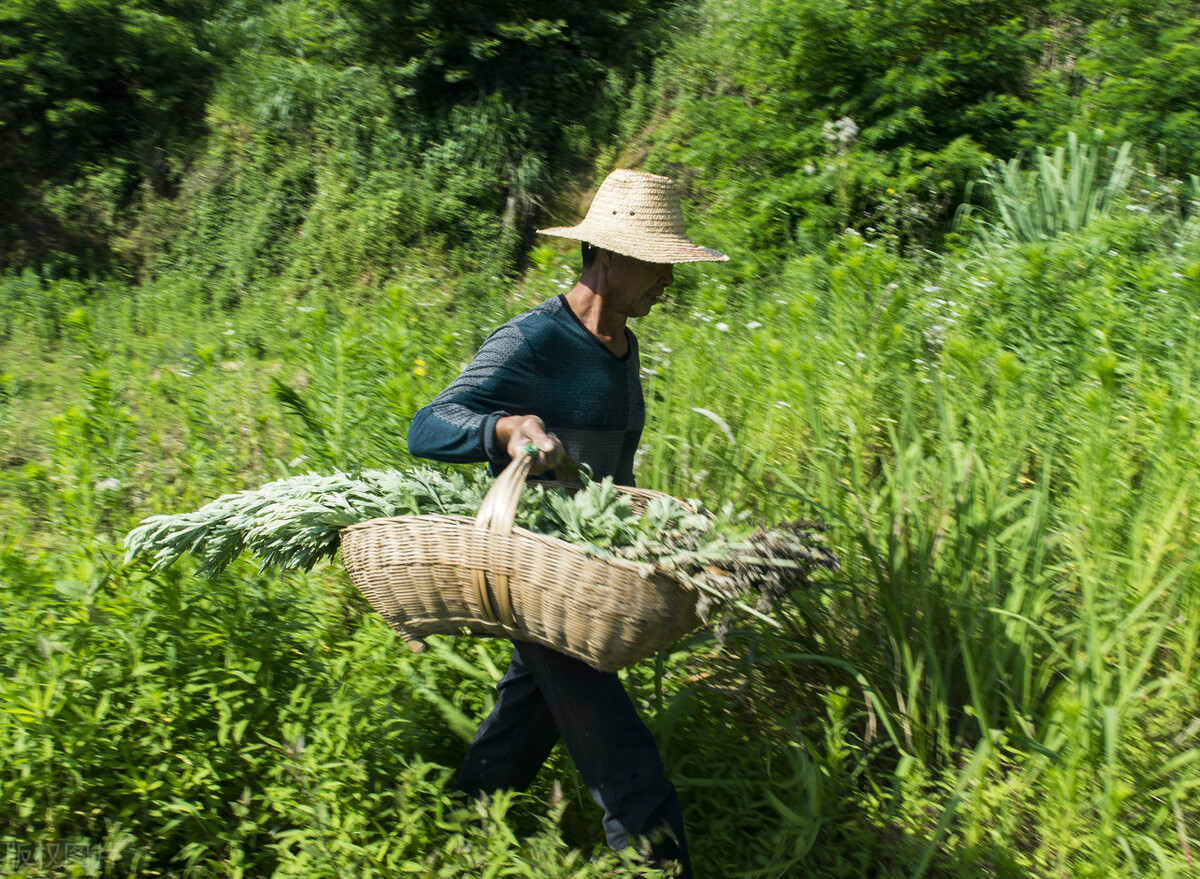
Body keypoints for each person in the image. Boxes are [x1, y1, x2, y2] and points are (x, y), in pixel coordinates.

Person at [407, 168, 727, 877]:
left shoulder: (623, 348)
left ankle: (459, 830)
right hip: (536, 570)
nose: (668, 281)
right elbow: (426, 425)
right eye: (656, 263)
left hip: (587, 574)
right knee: (621, 751)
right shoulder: (534, 340)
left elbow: (612, 474)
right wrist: (505, 427)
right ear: (606, 255)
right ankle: (660, 864)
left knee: (526, 716)